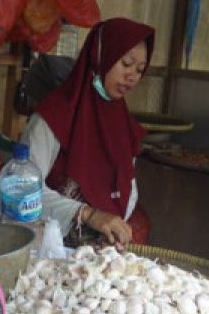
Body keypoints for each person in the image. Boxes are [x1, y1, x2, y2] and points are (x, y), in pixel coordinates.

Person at [21, 17, 154, 246]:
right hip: (50, 248)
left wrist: (114, 226)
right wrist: (87, 215)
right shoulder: (54, 116)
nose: (132, 76)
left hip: (101, 255)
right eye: (125, 63)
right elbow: (23, 188)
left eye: (140, 69)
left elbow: (127, 190)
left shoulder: (123, 125)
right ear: (101, 57)